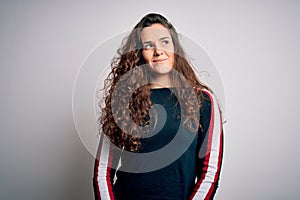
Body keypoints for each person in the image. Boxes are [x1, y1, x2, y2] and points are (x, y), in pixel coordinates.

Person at [93, 13, 224, 200]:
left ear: (175, 48)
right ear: (139, 53)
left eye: (164, 42)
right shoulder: (122, 100)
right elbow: (102, 172)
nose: (158, 51)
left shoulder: (203, 100)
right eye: (148, 45)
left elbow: (209, 173)